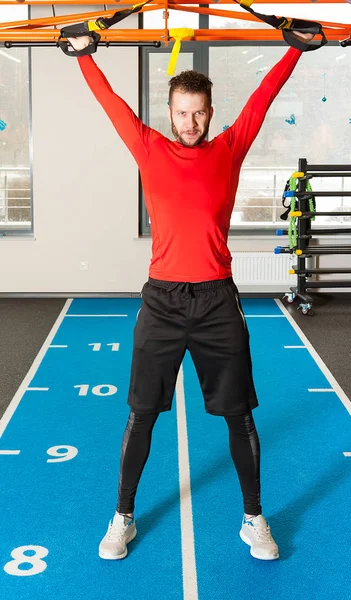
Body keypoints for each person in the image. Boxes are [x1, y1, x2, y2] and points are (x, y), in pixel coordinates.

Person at [68, 31, 312, 562]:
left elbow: (262, 99)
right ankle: (123, 517)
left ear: (209, 112)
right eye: (181, 113)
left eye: (198, 113)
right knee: (141, 413)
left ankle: (253, 519)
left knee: (239, 415)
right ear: (171, 113)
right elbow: (111, 103)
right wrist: (84, 56)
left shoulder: (229, 147)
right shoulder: (148, 146)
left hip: (218, 303)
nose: (190, 123)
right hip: (162, 301)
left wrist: (294, 48)